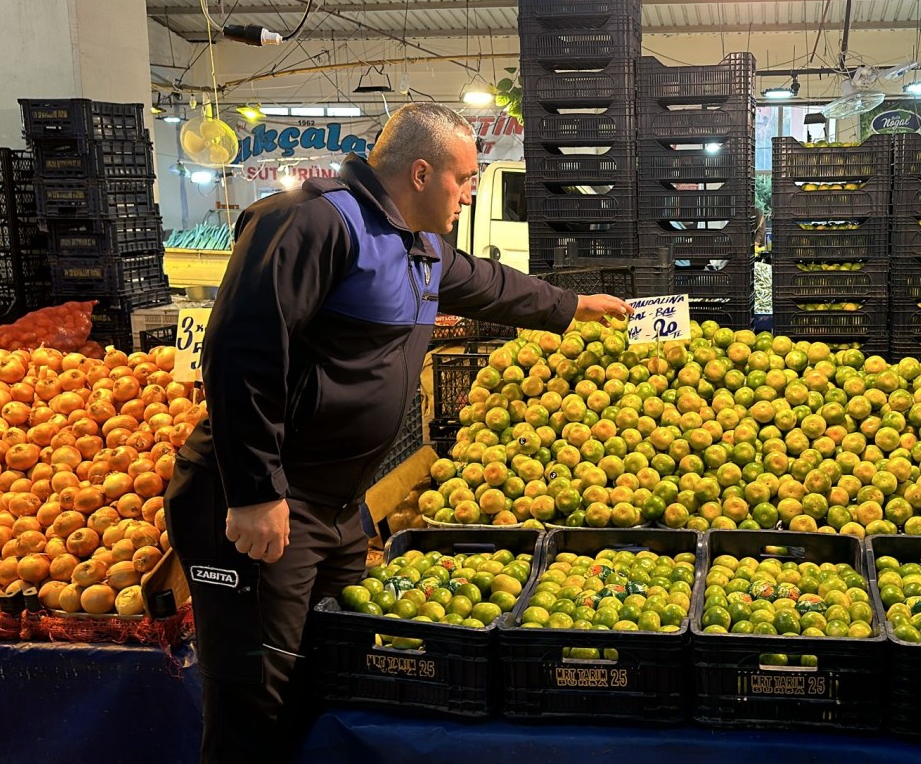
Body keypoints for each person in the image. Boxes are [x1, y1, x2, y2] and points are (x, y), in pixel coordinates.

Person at [164, 102, 632, 764]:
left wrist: (573, 306)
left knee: (325, 675)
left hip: (335, 508)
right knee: (255, 700)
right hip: (267, 501)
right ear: (421, 173)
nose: (469, 194)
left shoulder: (419, 246)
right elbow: (240, 352)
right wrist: (254, 491)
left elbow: (489, 284)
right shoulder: (313, 221)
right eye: (464, 179)